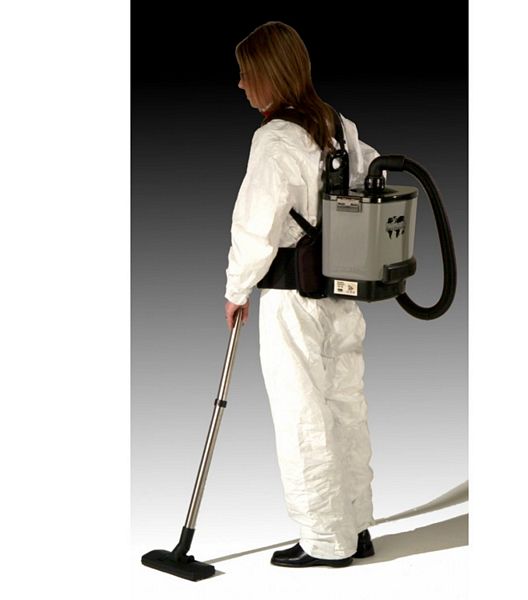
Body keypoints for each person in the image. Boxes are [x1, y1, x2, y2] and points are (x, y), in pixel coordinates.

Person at [224, 21, 380, 568]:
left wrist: (236, 288)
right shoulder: (339, 125)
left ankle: (325, 541)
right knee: (344, 405)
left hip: (292, 300)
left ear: (268, 75)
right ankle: (356, 527)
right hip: (339, 294)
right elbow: (370, 179)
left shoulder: (274, 140)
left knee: (302, 414)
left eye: (246, 74)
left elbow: (256, 226)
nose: (241, 85)